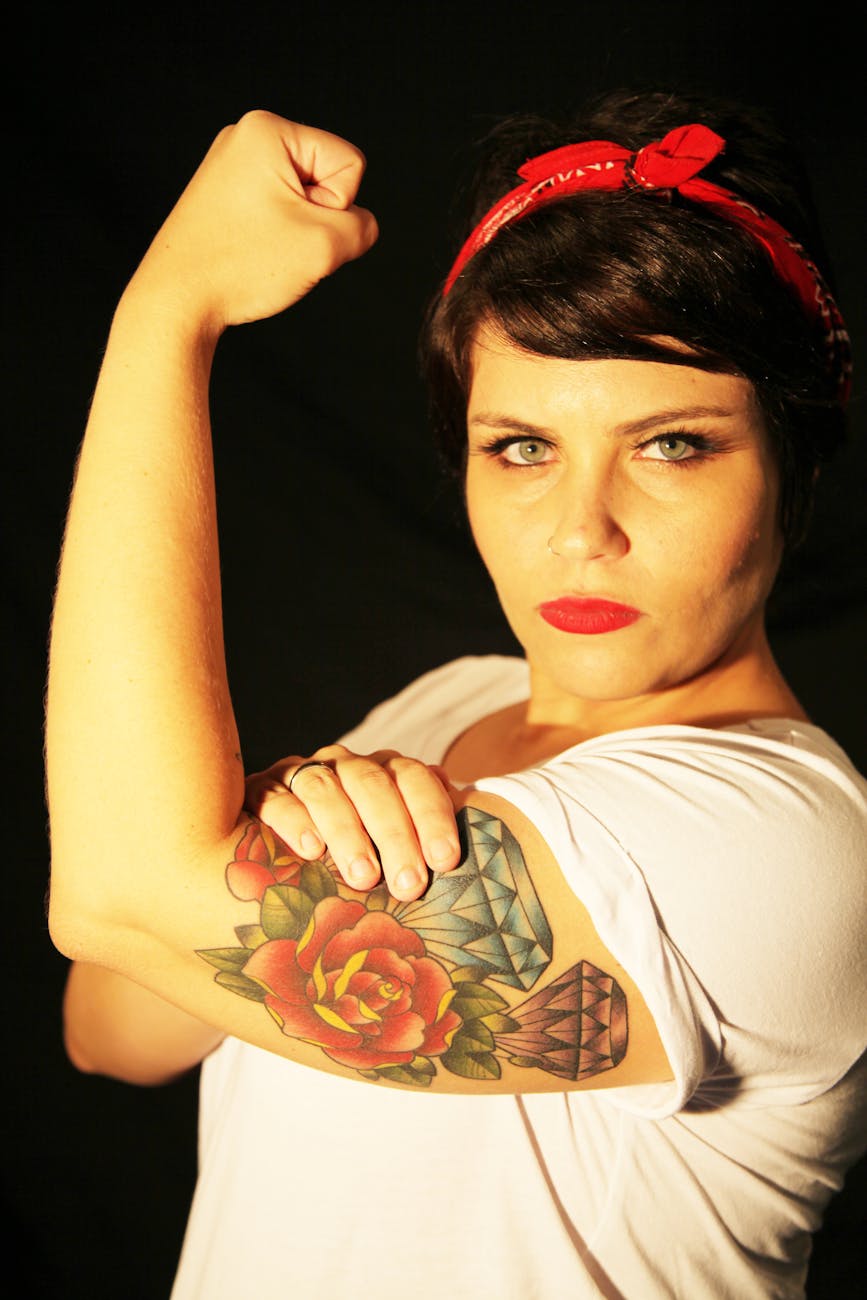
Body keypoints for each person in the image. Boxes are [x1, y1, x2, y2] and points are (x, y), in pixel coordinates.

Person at [47, 89, 866, 1299]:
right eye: (522, 447)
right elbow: (111, 1021)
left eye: (673, 444)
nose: (580, 533)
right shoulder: (446, 704)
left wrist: (167, 316)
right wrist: (260, 826)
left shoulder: (786, 847)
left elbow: (121, 895)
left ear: (790, 467)